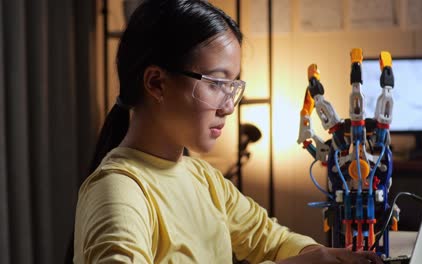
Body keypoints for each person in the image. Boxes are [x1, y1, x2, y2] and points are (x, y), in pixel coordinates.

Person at [73, 0, 383, 263]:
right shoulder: (119, 190)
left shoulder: (203, 179)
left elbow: (270, 239)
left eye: (232, 86)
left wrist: (321, 255)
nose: (229, 107)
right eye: (217, 83)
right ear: (156, 83)